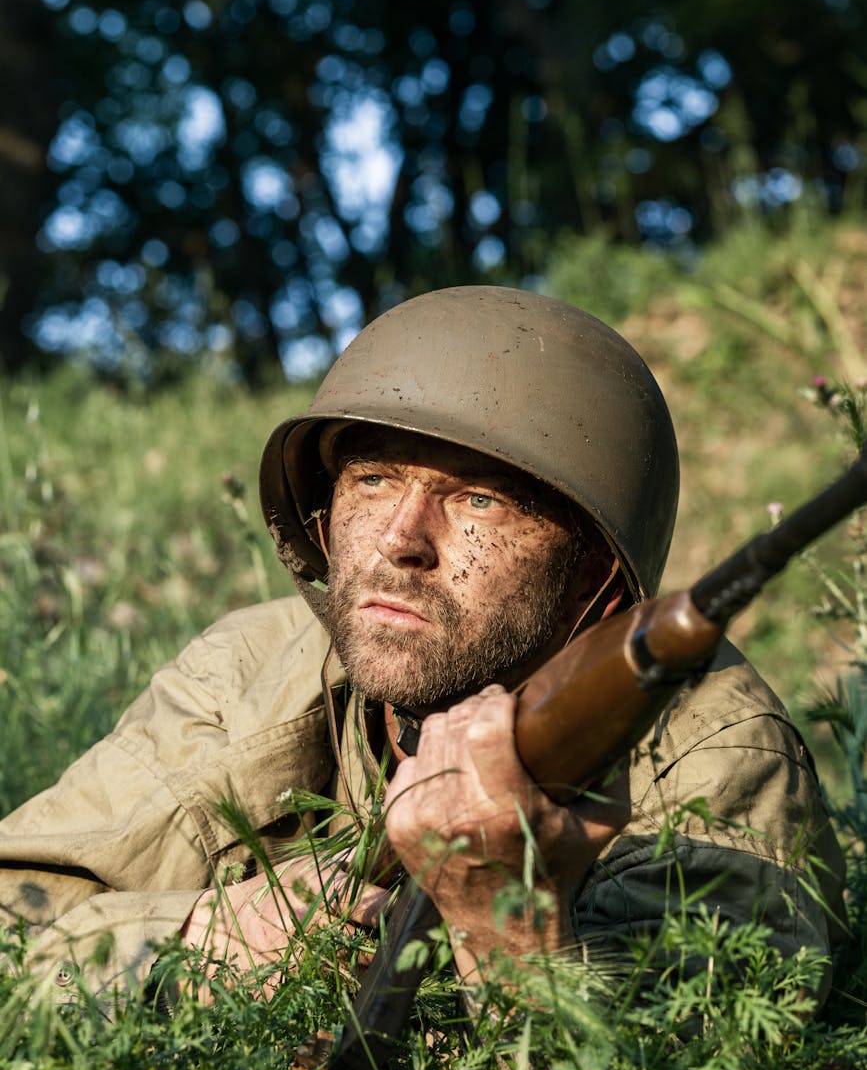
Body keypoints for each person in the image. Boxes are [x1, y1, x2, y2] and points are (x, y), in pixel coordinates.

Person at [0, 287, 847, 1010]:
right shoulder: (249, 672)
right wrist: (194, 940)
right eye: (372, 480)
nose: (398, 541)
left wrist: (504, 931)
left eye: (478, 500)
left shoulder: (713, 754)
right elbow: (15, 914)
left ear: (592, 570)